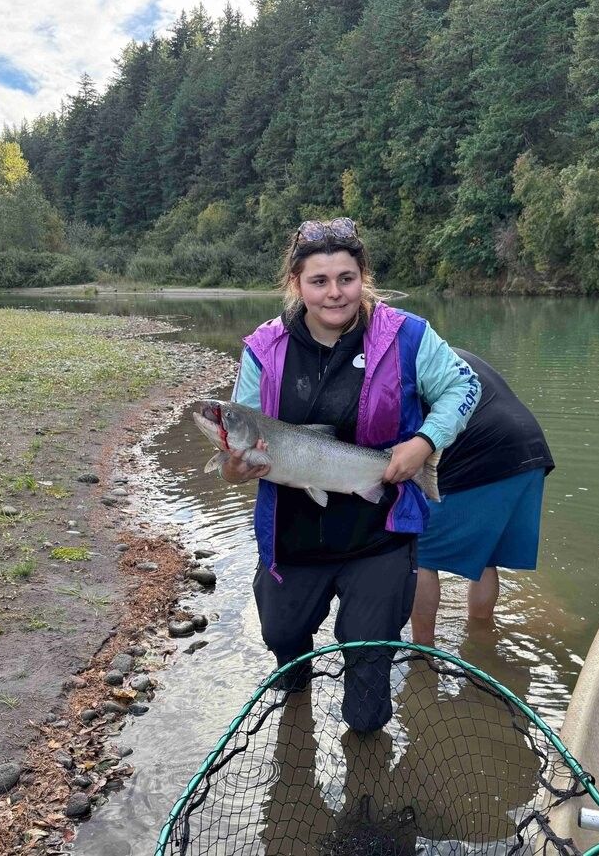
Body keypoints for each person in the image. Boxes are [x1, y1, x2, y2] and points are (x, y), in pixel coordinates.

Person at [220, 217, 479, 732]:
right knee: (282, 640)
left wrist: (425, 442)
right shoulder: (264, 349)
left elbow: (463, 387)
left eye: (346, 278)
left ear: (363, 278)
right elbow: (240, 442)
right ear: (296, 284)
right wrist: (235, 469)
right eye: (319, 281)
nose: (334, 293)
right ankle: (296, 706)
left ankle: (365, 745)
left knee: (368, 673)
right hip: (292, 540)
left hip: (378, 537)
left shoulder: (407, 336)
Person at [411, 349, 554, 647]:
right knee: (486, 556)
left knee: (419, 553)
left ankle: (422, 652)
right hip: (529, 448)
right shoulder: (440, 350)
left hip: (486, 452)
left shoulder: (401, 363)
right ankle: (481, 636)